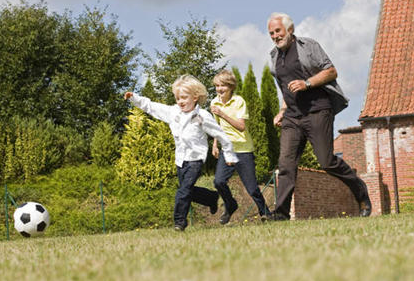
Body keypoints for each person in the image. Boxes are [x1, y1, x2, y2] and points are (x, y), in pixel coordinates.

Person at [266, 12, 371, 220]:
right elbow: (287, 90)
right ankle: (280, 214)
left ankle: (360, 191)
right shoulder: (274, 57)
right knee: (286, 165)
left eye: (278, 31)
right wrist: (282, 110)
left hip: (317, 111)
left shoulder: (308, 46)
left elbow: (331, 71)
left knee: (327, 161)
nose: (275, 36)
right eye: (271, 33)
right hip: (293, 117)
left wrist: (307, 83)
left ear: (290, 29)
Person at [124, 74, 238, 232]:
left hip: (196, 158)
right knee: (188, 191)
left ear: (195, 97)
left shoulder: (202, 116)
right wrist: (134, 98)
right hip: (181, 159)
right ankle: (211, 198)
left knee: (183, 191)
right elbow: (152, 107)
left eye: (184, 97)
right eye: (178, 98)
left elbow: (220, 135)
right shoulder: (173, 113)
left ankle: (179, 222)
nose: (180, 101)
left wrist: (230, 155)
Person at [210, 69, 272, 224]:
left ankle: (266, 213)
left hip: (243, 150)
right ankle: (230, 205)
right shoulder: (214, 102)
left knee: (251, 188)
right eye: (217, 86)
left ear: (231, 86)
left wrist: (223, 113)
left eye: (222, 86)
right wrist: (215, 144)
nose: (219, 89)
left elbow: (241, 126)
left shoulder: (239, 101)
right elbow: (216, 126)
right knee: (219, 182)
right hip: (226, 149)